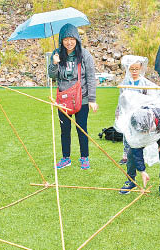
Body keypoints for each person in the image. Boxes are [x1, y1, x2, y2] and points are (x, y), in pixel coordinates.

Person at [48, 23, 98, 170]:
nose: (69, 42)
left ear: (77, 39)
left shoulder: (85, 55)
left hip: (81, 98)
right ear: (61, 40)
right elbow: (51, 75)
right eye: (65, 39)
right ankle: (66, 158)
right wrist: (54, 63)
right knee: (65, 130)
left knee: (82, 128)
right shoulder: (56, 54)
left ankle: (84, 157)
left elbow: (91, 77)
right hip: (63, 99)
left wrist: (92, 100)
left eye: (72, 39)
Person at [118, 93, 160, 200]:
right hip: (145, 129)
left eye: (146, 130)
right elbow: (136, 151)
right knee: (131, 154)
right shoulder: (134, 122)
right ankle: (131, 181)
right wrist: (142, 171)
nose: (146, 134)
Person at [115, 55, 154, 165]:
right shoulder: (125, 83)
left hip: (140, 112)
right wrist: (118, 112)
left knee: (140, 132)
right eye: (132, 69)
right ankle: (126, 155)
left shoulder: (144, 83)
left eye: (136, 69)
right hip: (128, 112)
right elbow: (121, 98)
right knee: (127, 134)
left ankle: (140, 155)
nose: (134, 71)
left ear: (141, 68)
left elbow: (148, 98)